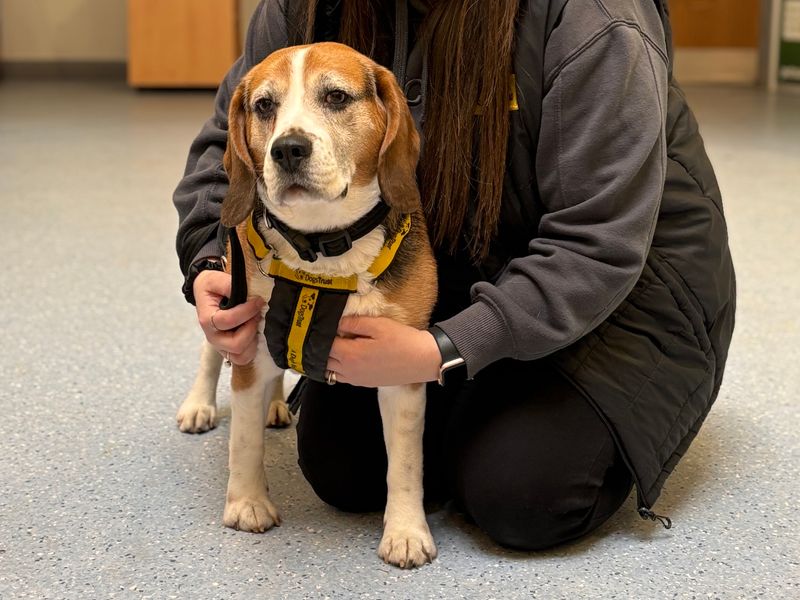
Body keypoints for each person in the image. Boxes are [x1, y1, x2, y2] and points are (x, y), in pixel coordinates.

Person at [173, 0, 736, 551]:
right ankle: (474, 408)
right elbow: (228, 148)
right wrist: (208, 261)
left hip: (618, 289)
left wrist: (443, 349)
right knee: (346, 471)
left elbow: (601, 241)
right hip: (436, 260)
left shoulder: (594, 16)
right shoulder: (304, 7)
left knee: (525, 494)